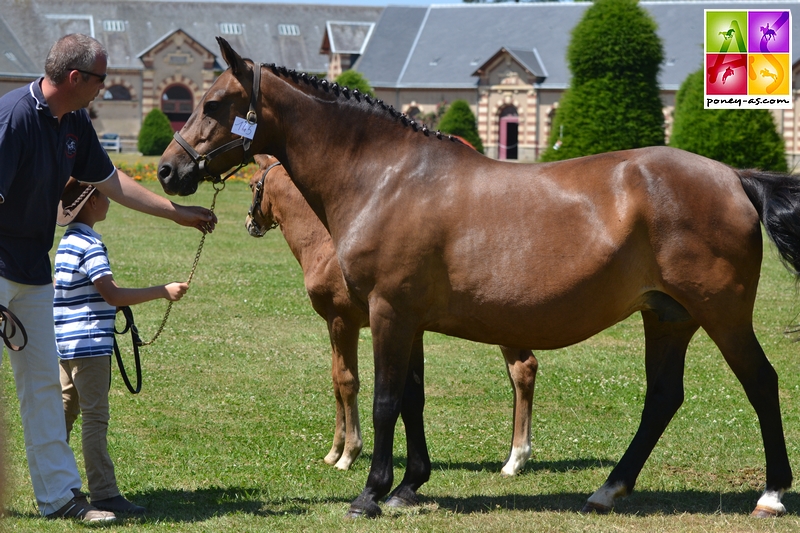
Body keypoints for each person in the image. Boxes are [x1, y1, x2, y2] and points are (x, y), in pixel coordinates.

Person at [0, 33, 215, 523]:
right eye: (102, 78)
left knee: (42, 394)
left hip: (34, 273)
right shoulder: (12, 118)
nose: (106, 86)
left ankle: (60, 499)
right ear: (76, 78)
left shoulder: (74, 121)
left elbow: (111, 182)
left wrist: (175, 213)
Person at [54, 179, 190, 516]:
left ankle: (57, 483)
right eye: (105, 195)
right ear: (92, 203)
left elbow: (71, 291)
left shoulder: (67, 242)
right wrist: (163, 290)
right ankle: (103, 492)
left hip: (65, 346)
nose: (110, 200)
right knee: (95, 419)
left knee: (63, 416)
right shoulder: (90, 244)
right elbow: (111, 294)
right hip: (90, 347)